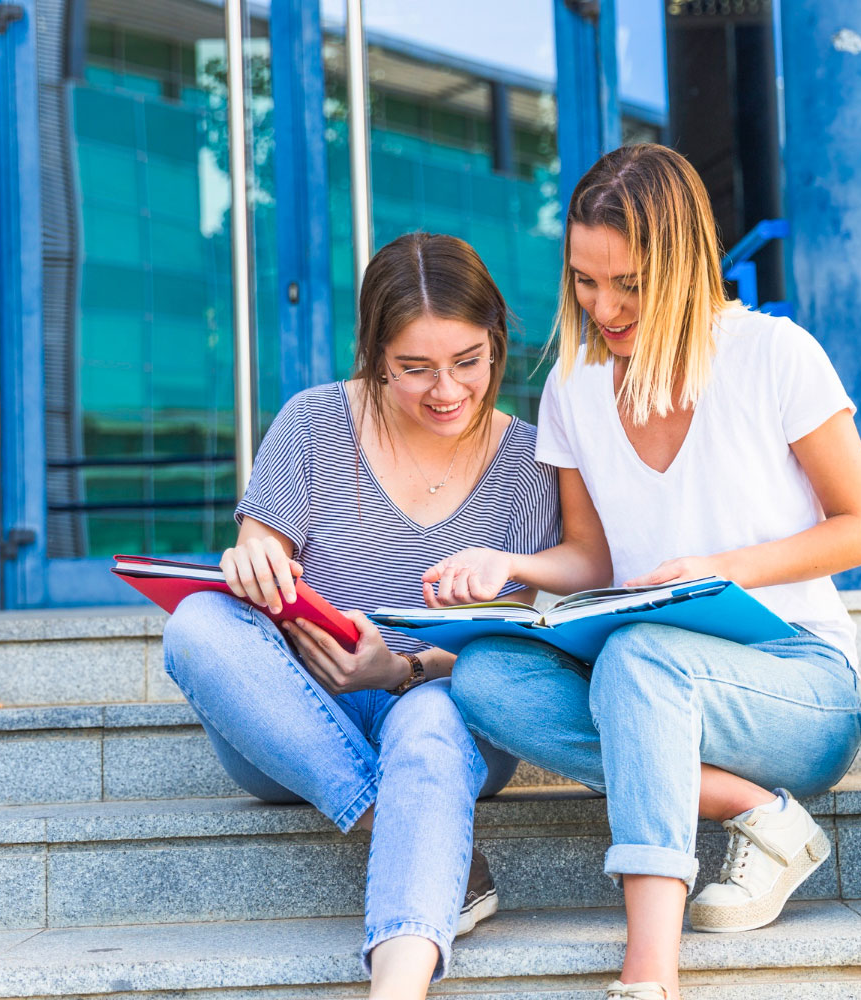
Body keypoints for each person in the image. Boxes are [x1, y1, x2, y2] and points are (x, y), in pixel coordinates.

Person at [421, 144, 861, 1000]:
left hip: (797, 685)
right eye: (585, 281)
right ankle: (756, 813)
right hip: (646, 679)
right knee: (486, 678)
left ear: (681, 263)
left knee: (640, 654)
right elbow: (592, 558)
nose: (604, 306)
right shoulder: (573, 383)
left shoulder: (775, 356)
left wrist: (723, 569)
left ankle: (650, 971)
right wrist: (508, 565)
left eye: (628, 283)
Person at [160, 233, 561, 1000]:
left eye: (468, 362)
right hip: (300, 723)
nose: (447, 391)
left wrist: (406, 668)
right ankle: (403, 826)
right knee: (197, 625)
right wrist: (253, 564)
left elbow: (532, 637)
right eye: (415, 369)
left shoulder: (533, 463)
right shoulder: (313, 423)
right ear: (375, 353)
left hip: (449, 713)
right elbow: (262, 546)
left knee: (432, 720)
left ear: (497, 343)